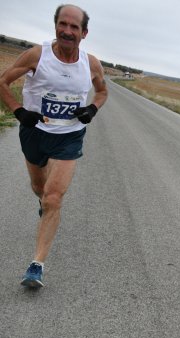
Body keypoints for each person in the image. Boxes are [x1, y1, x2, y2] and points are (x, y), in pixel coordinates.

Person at [0, 4, 108, 288]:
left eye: (74, 27)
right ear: (56, 26)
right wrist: (19, 111)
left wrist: (92, 110)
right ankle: (43, 203)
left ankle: (36, 265)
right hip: (34, 133)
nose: (67, 31)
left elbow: (102, 91)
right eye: (63, 24)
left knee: (53, 198)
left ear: (84, 33)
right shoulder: (38, 55)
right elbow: (3, 81)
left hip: (69, 136)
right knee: (39, 189)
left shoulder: (91, 63)